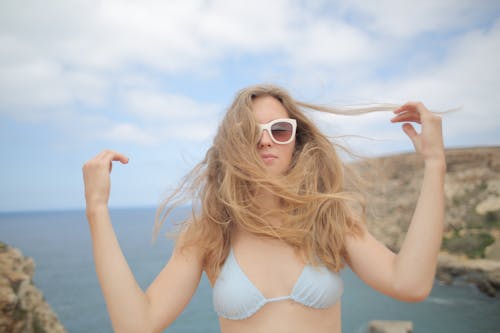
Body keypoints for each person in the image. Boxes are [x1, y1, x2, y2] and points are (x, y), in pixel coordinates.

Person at [82, 84, 446, 333]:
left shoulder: (328, 220)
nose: (266, 140)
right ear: (233, 144)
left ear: (295, 142)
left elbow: (409, 283)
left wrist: (435, 164)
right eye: (250, 131)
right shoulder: (210, 234)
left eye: (280, 130)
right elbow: (138, 324)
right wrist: (97, 210)